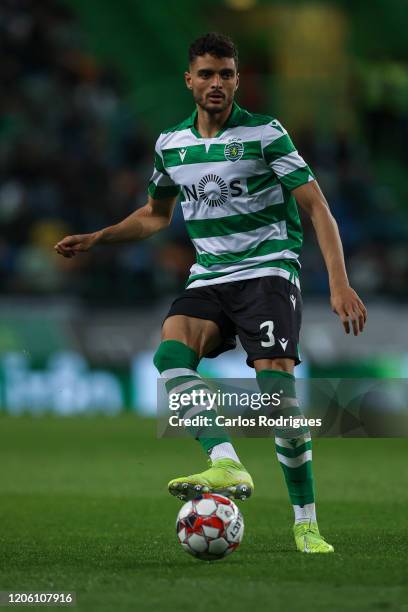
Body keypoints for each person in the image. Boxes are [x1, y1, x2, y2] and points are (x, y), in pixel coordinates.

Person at [55, 32, 367, 553]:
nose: (216, 83)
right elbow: (156, 215)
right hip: (210, 276)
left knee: (278, 404)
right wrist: (99, 237)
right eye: (206, 74)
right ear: (189, 80)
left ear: (237, 79)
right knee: (171, 354)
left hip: (267, 272)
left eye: (225, 74)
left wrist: (339, 283)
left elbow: (317, 207)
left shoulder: (266, 134)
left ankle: (306, 523)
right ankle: (225, 460)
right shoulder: (171, 145)